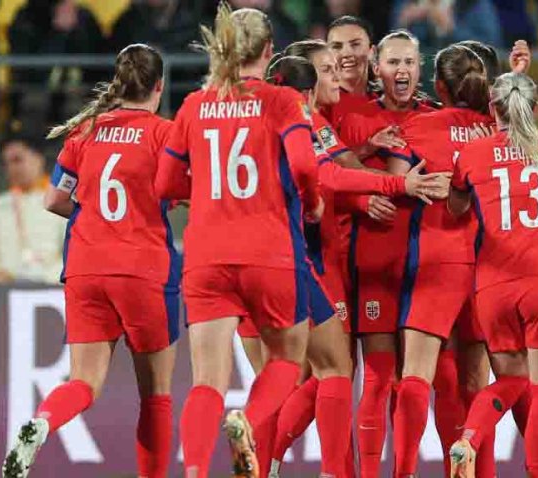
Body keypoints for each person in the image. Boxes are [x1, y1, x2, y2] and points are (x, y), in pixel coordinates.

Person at [263, 48, 449, 478]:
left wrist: (366, 150)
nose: (338, 77)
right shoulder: (303, 121)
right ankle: (301, 463)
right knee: (331, 371)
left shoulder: (315, 124)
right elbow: (330, 175)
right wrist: (397, 183)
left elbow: (333, 164)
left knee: (309, 371)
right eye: (327, 71)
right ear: (305, 88)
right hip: (308, 260)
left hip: (292, 258)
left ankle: (271, 459)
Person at [155, 3, 321, 476]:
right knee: (287, 360)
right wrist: (312, 203)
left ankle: (194, 473)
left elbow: (165, 185)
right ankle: (247, 420)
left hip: (206, 255)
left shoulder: (193, 104)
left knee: (206, 380)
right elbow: (306, 165)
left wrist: (204, 193)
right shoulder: (281, 100)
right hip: (269, 251)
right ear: (269, 52)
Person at [2, 44, 180, 478]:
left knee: (83, 382)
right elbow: (182, 192)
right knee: (155, 394)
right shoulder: (164, 133)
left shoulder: (85, 132)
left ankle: (42, 421)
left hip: (85, 266)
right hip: (143, 269)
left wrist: (95, 217)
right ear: (159, 86)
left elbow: (54, 199)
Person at [447, 72, 538, 478]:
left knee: (510, 383)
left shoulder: (473, 154)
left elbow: (456, 207)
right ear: (534, 109)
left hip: (493, 286)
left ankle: (468, 438)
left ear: (491, 110)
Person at [381, 44, 492, 478]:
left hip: (436, 260)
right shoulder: (496, 128)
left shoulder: (419, 127)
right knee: (474, 387)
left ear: (439, 86)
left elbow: (394, 182)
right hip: (487, 265)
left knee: (416, 376)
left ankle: (404, 472)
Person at [335, 29, 436, 478]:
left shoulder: (437, 116)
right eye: (393, 63)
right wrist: (361, 199)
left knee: (416, 382)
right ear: (378, 67)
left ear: (420, 68)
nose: (402, 71)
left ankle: (406, 471)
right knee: (378, 375)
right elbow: (327, 165)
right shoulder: (355, 115)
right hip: (375, 256)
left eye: (410, 63)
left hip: (428, 265)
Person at [0, 134, 66, 284]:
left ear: (38, 159)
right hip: (5, 294)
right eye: (7, 163)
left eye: (17, 160)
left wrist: (46, 278)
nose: (11, 168)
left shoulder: (60, 200)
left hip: (53, 290)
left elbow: (73, 253)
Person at [8, 0, 106, 138]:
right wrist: (58, 32)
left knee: (81, 104)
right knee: (34, 101)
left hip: (76, 92)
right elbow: (28, 69)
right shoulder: (27, 17)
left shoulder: (84, 17)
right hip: (36, 90)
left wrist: (75, 30)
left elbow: (95, 60)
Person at [390, 0, 503, 50]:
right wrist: (403, 23)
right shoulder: (408, 3)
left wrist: (452, 30)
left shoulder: (474, 4)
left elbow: (493, 47)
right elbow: (389, 43)